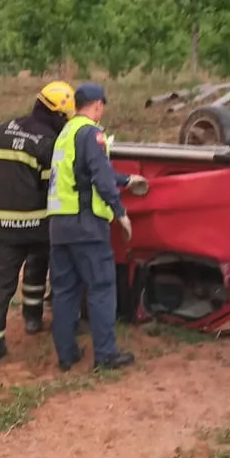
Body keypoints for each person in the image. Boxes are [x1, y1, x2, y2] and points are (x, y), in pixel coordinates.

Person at [47, 81, 144, 372]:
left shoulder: (65, 133)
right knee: (101, 287)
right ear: (98, 105)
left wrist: (126, 180)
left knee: (65, 291)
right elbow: (99, 176)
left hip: (59, 226)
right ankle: (106, 355)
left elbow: (81, 173)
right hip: (86, 226)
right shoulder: (92, 133)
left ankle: (67, 356)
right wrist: (120, 212)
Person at [0, 80, 76, 363]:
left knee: (1, 284)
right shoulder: (49, 143)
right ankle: (32, 318)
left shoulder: (3, 130)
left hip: (4, 226)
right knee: (37, 269)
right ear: (58, 115)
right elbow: (51, 187)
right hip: (37, 226)